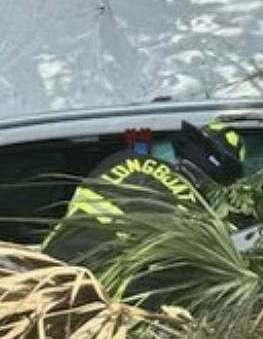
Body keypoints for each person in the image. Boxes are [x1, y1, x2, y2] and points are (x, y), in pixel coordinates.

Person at [42, 120, 247, 308]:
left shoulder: (122, 159)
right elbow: (153, 287)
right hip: (86, 303)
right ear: (220, 176)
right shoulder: (197, 216)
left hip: (44, 275)